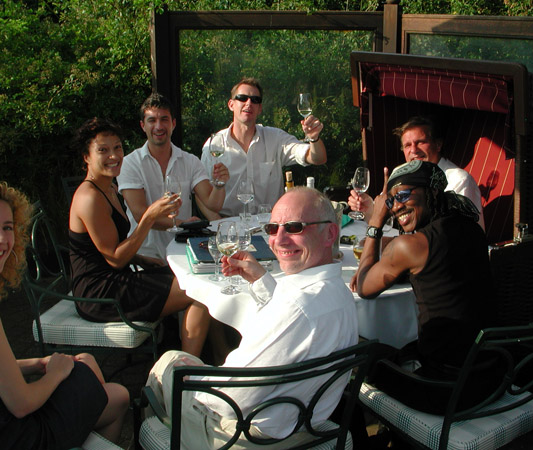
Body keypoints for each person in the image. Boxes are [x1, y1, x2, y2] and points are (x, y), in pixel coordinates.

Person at [146, 187, 358, 449]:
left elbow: (228, 399)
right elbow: (292, 326)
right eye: (272, 229)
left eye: (295, 227)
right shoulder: (340, 295)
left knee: (169, 363)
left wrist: (196, 379)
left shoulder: (296, 308)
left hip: (243, 439)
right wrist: (261, 280)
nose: (279, 240)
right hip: (306, 426)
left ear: (330, 233)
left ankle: (157, 434)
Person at [352, 160, 496, 415]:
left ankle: (361, 430)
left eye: (403, 195)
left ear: (432, 192)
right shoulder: (471, 228)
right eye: (390, 201)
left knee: (355, 352)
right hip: (491, 374)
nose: (396, 206)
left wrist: (375, 222)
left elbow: (364, 287)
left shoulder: (412, 246)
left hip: (446, 390)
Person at [0, 181, 129, 448]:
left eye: (7, 227)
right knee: (106, 385)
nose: (2, 239)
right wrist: (55, 374)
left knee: (112, 390)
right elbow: (22, 404)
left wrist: (36, 363)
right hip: (20, 436)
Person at [69, 117, 212, 357]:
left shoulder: (109, 188)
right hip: (99, 294)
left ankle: (210, 357)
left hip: (116, 278)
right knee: (199, 290)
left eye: (117, 148)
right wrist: (148, 217)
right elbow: (115, 259)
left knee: (198, 276)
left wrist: (141, 260)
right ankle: (187, 370)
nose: (114, 156)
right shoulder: (89, 197)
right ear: (86, 157)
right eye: (103, 150)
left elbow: (104, 248)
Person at [117, 93, 229, 261]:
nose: (158, 126)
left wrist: (220, 184)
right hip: (145, 257)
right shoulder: (130, 163)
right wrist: (184, 225)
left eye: (164, 119)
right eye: (152, 120)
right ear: (142, 125)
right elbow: (140, 214)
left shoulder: (190, 161)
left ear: (173, 124)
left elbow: (213, 204)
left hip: (184, 253)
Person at [199, 77, 327, 217]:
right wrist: (218, 223)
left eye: (255, 100)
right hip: (229, 224)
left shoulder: (275, 138)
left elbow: (317, 158)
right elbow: (200, 194)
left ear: (260, 108)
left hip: (269, 224)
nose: (249, 103)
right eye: (242, 98)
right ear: (231, 104)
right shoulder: (214, 145)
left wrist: (314, 138)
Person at [349, 115, 485, 229]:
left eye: (420, 142)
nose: (413, 150)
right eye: (407, 145)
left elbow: (458, 235)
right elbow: (384, 218)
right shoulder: (400, 174)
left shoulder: (459, 179)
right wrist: (368, 208)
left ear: (438, 145)